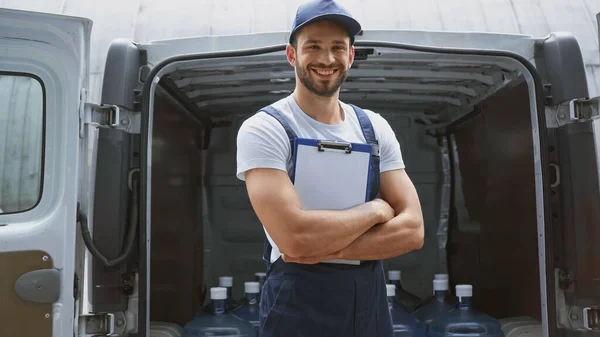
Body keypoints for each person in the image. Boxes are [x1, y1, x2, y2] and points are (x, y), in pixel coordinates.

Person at [235, 0, 424, 336]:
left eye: (338, 47)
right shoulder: (265, 129)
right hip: (296, 300)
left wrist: (321, 249)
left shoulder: (374, 128)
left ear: (350, 56)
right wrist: (377, 209)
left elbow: (413, 230)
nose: (326, 59)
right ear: (292, 55)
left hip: (369, 300)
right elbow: (294, 238)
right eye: (313, 47)